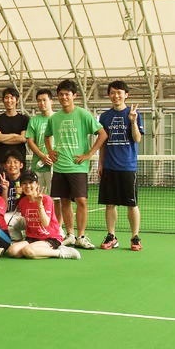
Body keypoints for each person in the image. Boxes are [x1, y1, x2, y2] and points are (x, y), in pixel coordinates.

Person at [45, 79, 108, 249]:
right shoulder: (54, 118)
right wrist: (50, 151)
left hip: (78, 166)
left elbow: (102, 134)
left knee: (81, 201)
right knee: (64, 201)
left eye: (67, 94)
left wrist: (89, 154)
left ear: (74, 96)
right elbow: (47, 136)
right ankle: (70, 235)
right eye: (61, 94)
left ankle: (81, 236)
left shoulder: (83, 114)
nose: (64, 97)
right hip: (59, 167)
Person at [98, 80, 144, 251]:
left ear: (126, 95)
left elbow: (137, 139)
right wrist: (100, 163)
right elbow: (103, 142)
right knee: (110, 204)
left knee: (132, 205)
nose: (116, 95)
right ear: (109, 95)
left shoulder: (134, 114)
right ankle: (112, 236)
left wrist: (133, 121)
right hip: (109, 166)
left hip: (128, 167)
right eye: (112, 92)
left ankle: (135, 237)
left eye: (119, 92)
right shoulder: (104, 117)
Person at [6, 171, 80, 260]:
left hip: (50, 237)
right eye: (24, 183)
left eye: (31, 182)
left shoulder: (46, 199)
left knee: (28, 250)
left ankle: (60, 252)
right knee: (12, 251)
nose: (28, 186)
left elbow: (45, 223)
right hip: (32, 237)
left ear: (37, 184)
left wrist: (39, 204)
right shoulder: (22, 202)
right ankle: (39, 250)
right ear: (21, 186)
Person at [25, 88, 61, 225]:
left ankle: (57, 228)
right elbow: (30, 141)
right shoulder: (34, 121)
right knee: (37, 197)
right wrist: (42, 156)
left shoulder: (59, 118)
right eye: (39, 101)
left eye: (44, 100)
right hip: (38, 166)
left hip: (56, 166)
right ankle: (38, 226)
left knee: (57, 200)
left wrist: (52, 157)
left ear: (51, 101)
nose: (42, 103)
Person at [0, 87, 29, 172]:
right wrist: (15, 135)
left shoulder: (24, 119)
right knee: (3, 180)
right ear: (3, 100)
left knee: (20, 181)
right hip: (2, 161)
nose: (9, 100)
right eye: (6, 97)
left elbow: (23, 138)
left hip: (19, 162)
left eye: (12, 98)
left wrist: (2, 137)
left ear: (17, 100)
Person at [0, 149, 25, 240]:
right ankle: (17, 239)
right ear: (5, 166)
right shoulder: (2, 183)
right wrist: (5, 190)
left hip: (26, 215)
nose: (12, 165)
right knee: (3, 218)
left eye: (15, 162)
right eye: (9, 162)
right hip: (10, 216)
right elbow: (3, 208)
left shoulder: (27, 181)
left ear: (21, 165)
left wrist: (24, 193)